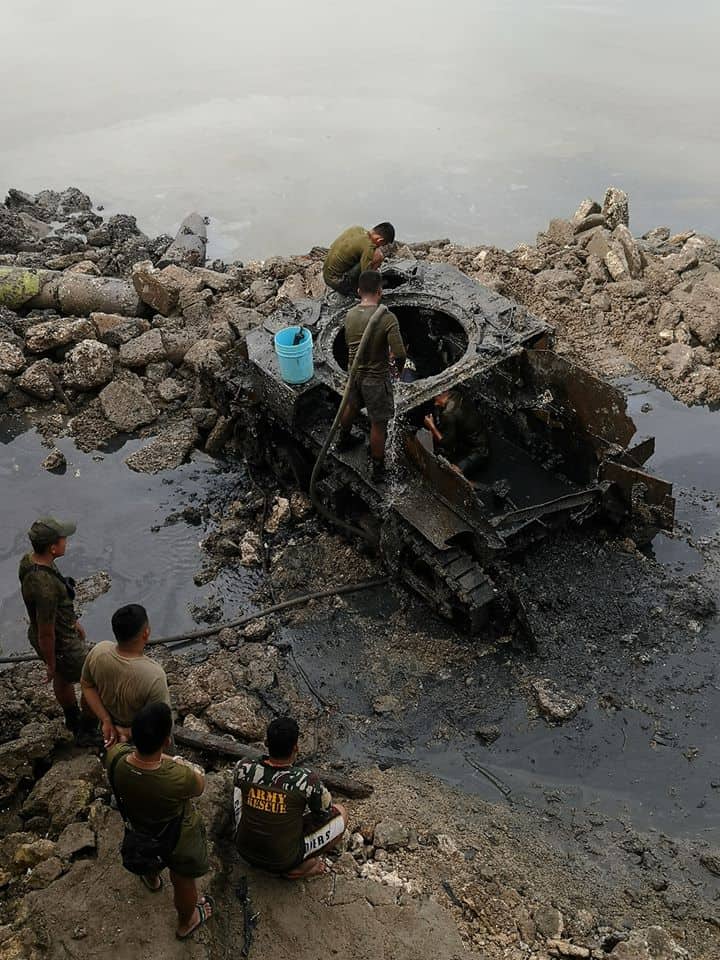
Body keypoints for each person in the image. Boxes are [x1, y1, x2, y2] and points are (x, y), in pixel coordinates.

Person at [105, 702, 213, 940]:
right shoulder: (177, 776)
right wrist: (176, 761)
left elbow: (127, 752)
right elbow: (200, 786)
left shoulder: (115, 758)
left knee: (148, 849)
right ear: (165, 741)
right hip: (176, 834)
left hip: (139, 824)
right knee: (183, 880)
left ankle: (151, 877)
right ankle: (187, 921)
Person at [233, 717, 347, 879]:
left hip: (244, 851)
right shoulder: (307, 780)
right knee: (342, 812)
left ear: (266, 743)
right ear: (295, 748)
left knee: (238, 790)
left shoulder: (244, 767)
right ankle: (300, 868)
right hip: (283, 860)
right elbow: (324, 813)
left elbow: (238, 783)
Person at [18, 516, 98, 745]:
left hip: (53, 635)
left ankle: (72, 720)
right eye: (63, 539)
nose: (66, 542)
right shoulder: (45, 588)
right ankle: (87, 729)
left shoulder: (29, 561)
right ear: (53, 547)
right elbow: (46, 631)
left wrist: (73, 621)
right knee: (97, 679)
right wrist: (51, 663)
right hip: (61, 644)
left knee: (63, 679)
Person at [337, 269, 406, 482]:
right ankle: (378, 469)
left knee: (351, 405)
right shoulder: (387, 318)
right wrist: (397, 369)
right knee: (378, 423)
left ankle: (343, 439)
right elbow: (401, 353)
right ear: (380, 291)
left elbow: (353, 345)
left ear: (358, 291)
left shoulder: (349, 315)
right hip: (376, 379)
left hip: (354, 374)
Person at [81, 603, 170, 748]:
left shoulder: (99, 651)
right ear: (146, 633)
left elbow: (86, 685)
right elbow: (157, 724)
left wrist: (106, 720)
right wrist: (127, 733)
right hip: (142, 738)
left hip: (110, 728)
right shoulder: (154, 675)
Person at [424, 390, 489, 478]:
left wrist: (431, 426)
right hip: (480, 435)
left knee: (451, 471)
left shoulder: (448, 414)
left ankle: (474, 485)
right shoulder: (456, 394)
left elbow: (446, 444)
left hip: (479, 451)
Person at [323, 222, 396, 296]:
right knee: (378, 257)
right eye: (382, 245)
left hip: (327, 274)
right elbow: (365, 275)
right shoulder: (368, 247)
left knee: (374, 254)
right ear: (380, 240)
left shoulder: (357, 229)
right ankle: (355, 288)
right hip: (337, 282)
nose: (380, 246)